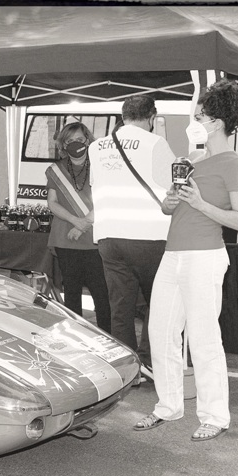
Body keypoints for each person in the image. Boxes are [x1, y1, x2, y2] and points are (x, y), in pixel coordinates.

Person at [134, 79, 238, 442]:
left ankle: (215, 415)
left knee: (203, 337)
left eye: (199, 116)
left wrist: (200, 203)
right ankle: (168, 406)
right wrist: (171, 202)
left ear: (217, 122)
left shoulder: (234, 163)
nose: (194, 121)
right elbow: (169, 207)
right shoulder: (192, 160)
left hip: (205, 256)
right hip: (174, 253)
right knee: (160, 331)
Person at [88, 95, 175, 383]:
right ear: (151, 117)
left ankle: (128, 370)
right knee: (157, 303)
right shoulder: (155, 143)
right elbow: (173, 186)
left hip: (109, 237)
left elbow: (96, 184)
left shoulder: (96, 147)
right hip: (149, 236)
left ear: (123, 116)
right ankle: (150, 362)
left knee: (121, 306)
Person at [45, 122, 112, 334]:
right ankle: (76, 337)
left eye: (80, 140)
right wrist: (76, 221)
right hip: (66, 240)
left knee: (101, 294)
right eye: (70, 141)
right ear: (63, 145)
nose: (76, 144)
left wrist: (83, 225)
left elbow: (107, 199)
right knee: (71, 295)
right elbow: (52, 203)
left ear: (88, 141)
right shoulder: (55, 170)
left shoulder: (102, 166)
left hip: (95, 239)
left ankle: (107, 336)